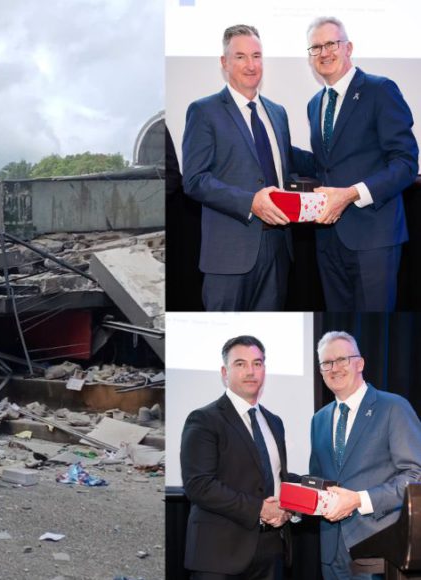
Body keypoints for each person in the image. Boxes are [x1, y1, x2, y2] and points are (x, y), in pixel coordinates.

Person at [182, 24, 315, 311]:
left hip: (279, 249)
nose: (251, 65)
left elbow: (285, 161)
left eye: (256, 56)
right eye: (240, 56)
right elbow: (194, 179)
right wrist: (250, 202)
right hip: (229, 255)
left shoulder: (277, 113)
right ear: (224, 62)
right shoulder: (204, 111)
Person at [303, 18, 419, 311]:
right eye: (316, 47)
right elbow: (324, 164)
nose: (324, 53)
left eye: (331, 44)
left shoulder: (380, 90)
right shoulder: (315, 103)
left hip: (373, 239)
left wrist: (352, 193)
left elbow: (405, 162)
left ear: (348, 48)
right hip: (328, 239)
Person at [307, 331, 421, 579]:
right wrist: (294, 504)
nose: (334, 368)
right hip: (331, 550)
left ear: (360, 363)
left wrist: (360, 499)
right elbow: (318, 479)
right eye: (326, 363)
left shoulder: (393, 407)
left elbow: (416, 477)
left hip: (379, 546)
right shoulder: (319, 419)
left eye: (342, 360)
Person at [181, 335, 290, 579]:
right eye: (240, 364)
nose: (251, 371)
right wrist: (260, 509)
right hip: (218, 555)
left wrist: (296, 503)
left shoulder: (274, 422)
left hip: (271, 551)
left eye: (258, 363)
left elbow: (275, 476)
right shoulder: (204, 419)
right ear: (224, 372)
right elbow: (199, 485)